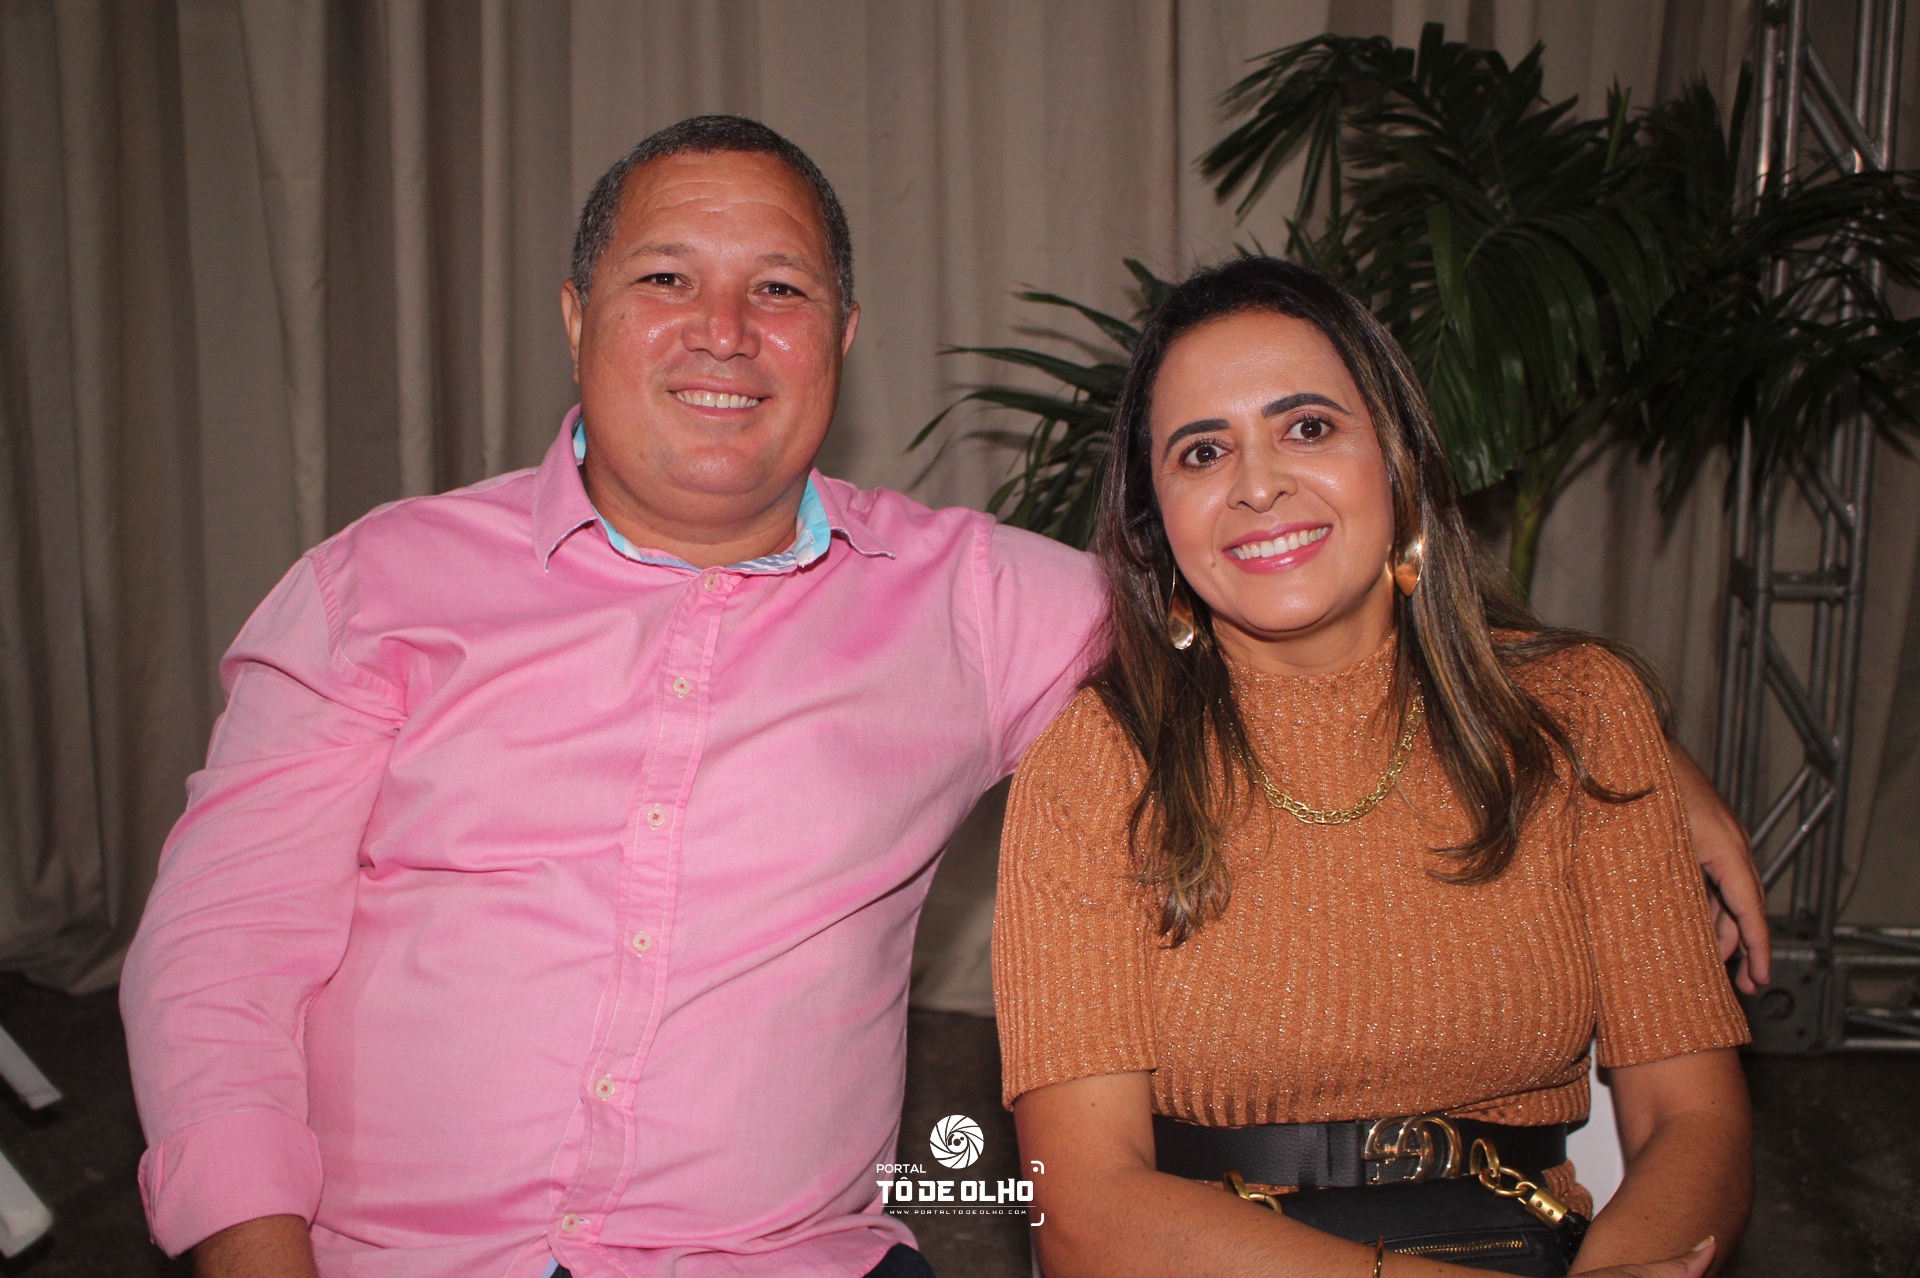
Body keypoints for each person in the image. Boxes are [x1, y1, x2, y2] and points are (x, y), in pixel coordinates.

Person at [121, 120, 1764, 1278]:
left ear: (843, 334)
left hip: (777, 1262)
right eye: (665, 279)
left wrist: (1615, 741)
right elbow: (217, 966)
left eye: (779, 289)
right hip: (388, 1255)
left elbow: (1283, 595)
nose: (724, 332)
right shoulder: (380, 585)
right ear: (576, 318)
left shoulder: (971, 600)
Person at [993, 258, 1753, 1278]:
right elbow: (1085, 1211)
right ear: (1155, 520)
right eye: (1203, 451)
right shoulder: (1096, 765)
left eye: (1308, 427)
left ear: (1398, 464)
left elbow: (1695, 1120)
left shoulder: (1582, 714)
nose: (1257, 484)